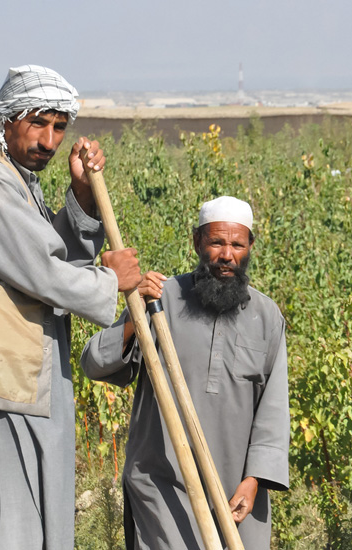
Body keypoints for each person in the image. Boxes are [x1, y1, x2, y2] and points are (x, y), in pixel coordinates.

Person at [0, 65, 142, 550]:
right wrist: (108, 281)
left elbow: (46, 255)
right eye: (38, 123)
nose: (50, 140)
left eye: (59, 127)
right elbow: (43, 271)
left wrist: (80, 195)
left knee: (28, 521)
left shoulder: (16, 181)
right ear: (8, 120)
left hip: (18, 377)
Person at [81, 196, 290, 550]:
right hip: (163, 486)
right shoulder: (161, 298)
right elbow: (95, 362)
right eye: (217, 242)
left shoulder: (267, 318)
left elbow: (273, 411)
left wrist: (254, 479)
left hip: (237, 492)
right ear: (197, 242)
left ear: (250, 247)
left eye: (237, 245)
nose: (227, 255)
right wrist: (134, 312)